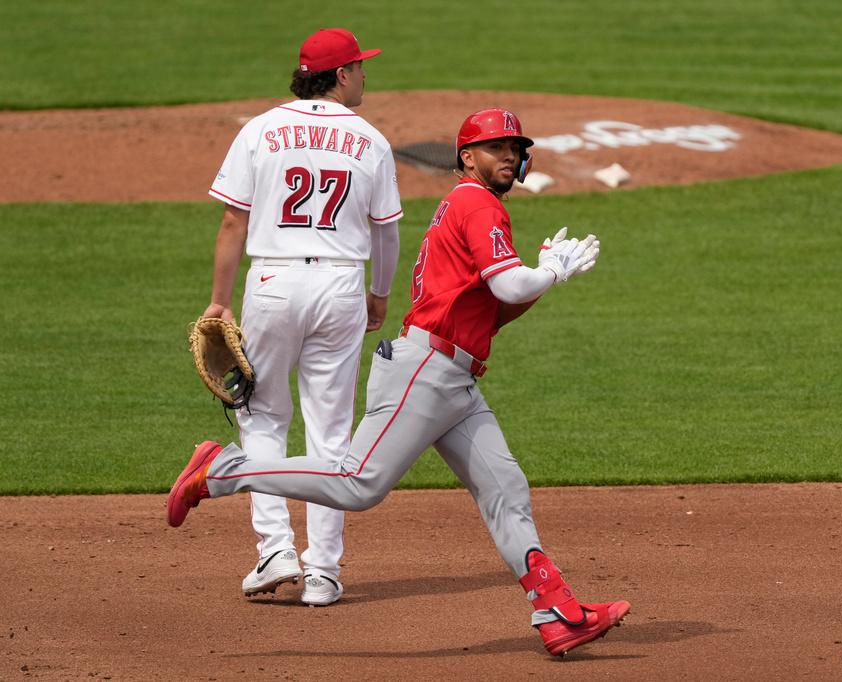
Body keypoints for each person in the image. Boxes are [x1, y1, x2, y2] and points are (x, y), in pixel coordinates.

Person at [169, 109, 629, 656]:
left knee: (506, 491)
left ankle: (556, 610)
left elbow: (491, 313)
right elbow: (508, 286)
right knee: (359, 482)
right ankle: (221, 470)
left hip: (455, 381)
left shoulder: (468, 208)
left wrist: (544, 279)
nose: (508, 155)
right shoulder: (476, 203)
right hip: (425, 372)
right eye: (495, 147)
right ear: (466, 158)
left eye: (514, 146)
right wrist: (550, 270)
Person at [200, 28, 403, 606]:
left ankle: (274, 550)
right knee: (331, 427)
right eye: (361, 66)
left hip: (272, 281)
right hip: (341, 284)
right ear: (340, 75)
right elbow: (386, 230)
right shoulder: (370, 139)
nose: (366, 74)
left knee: (261, 415)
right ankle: (323, 573)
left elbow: (233, 224)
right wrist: (379, 293)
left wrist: (220, 300)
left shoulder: (260, 129)